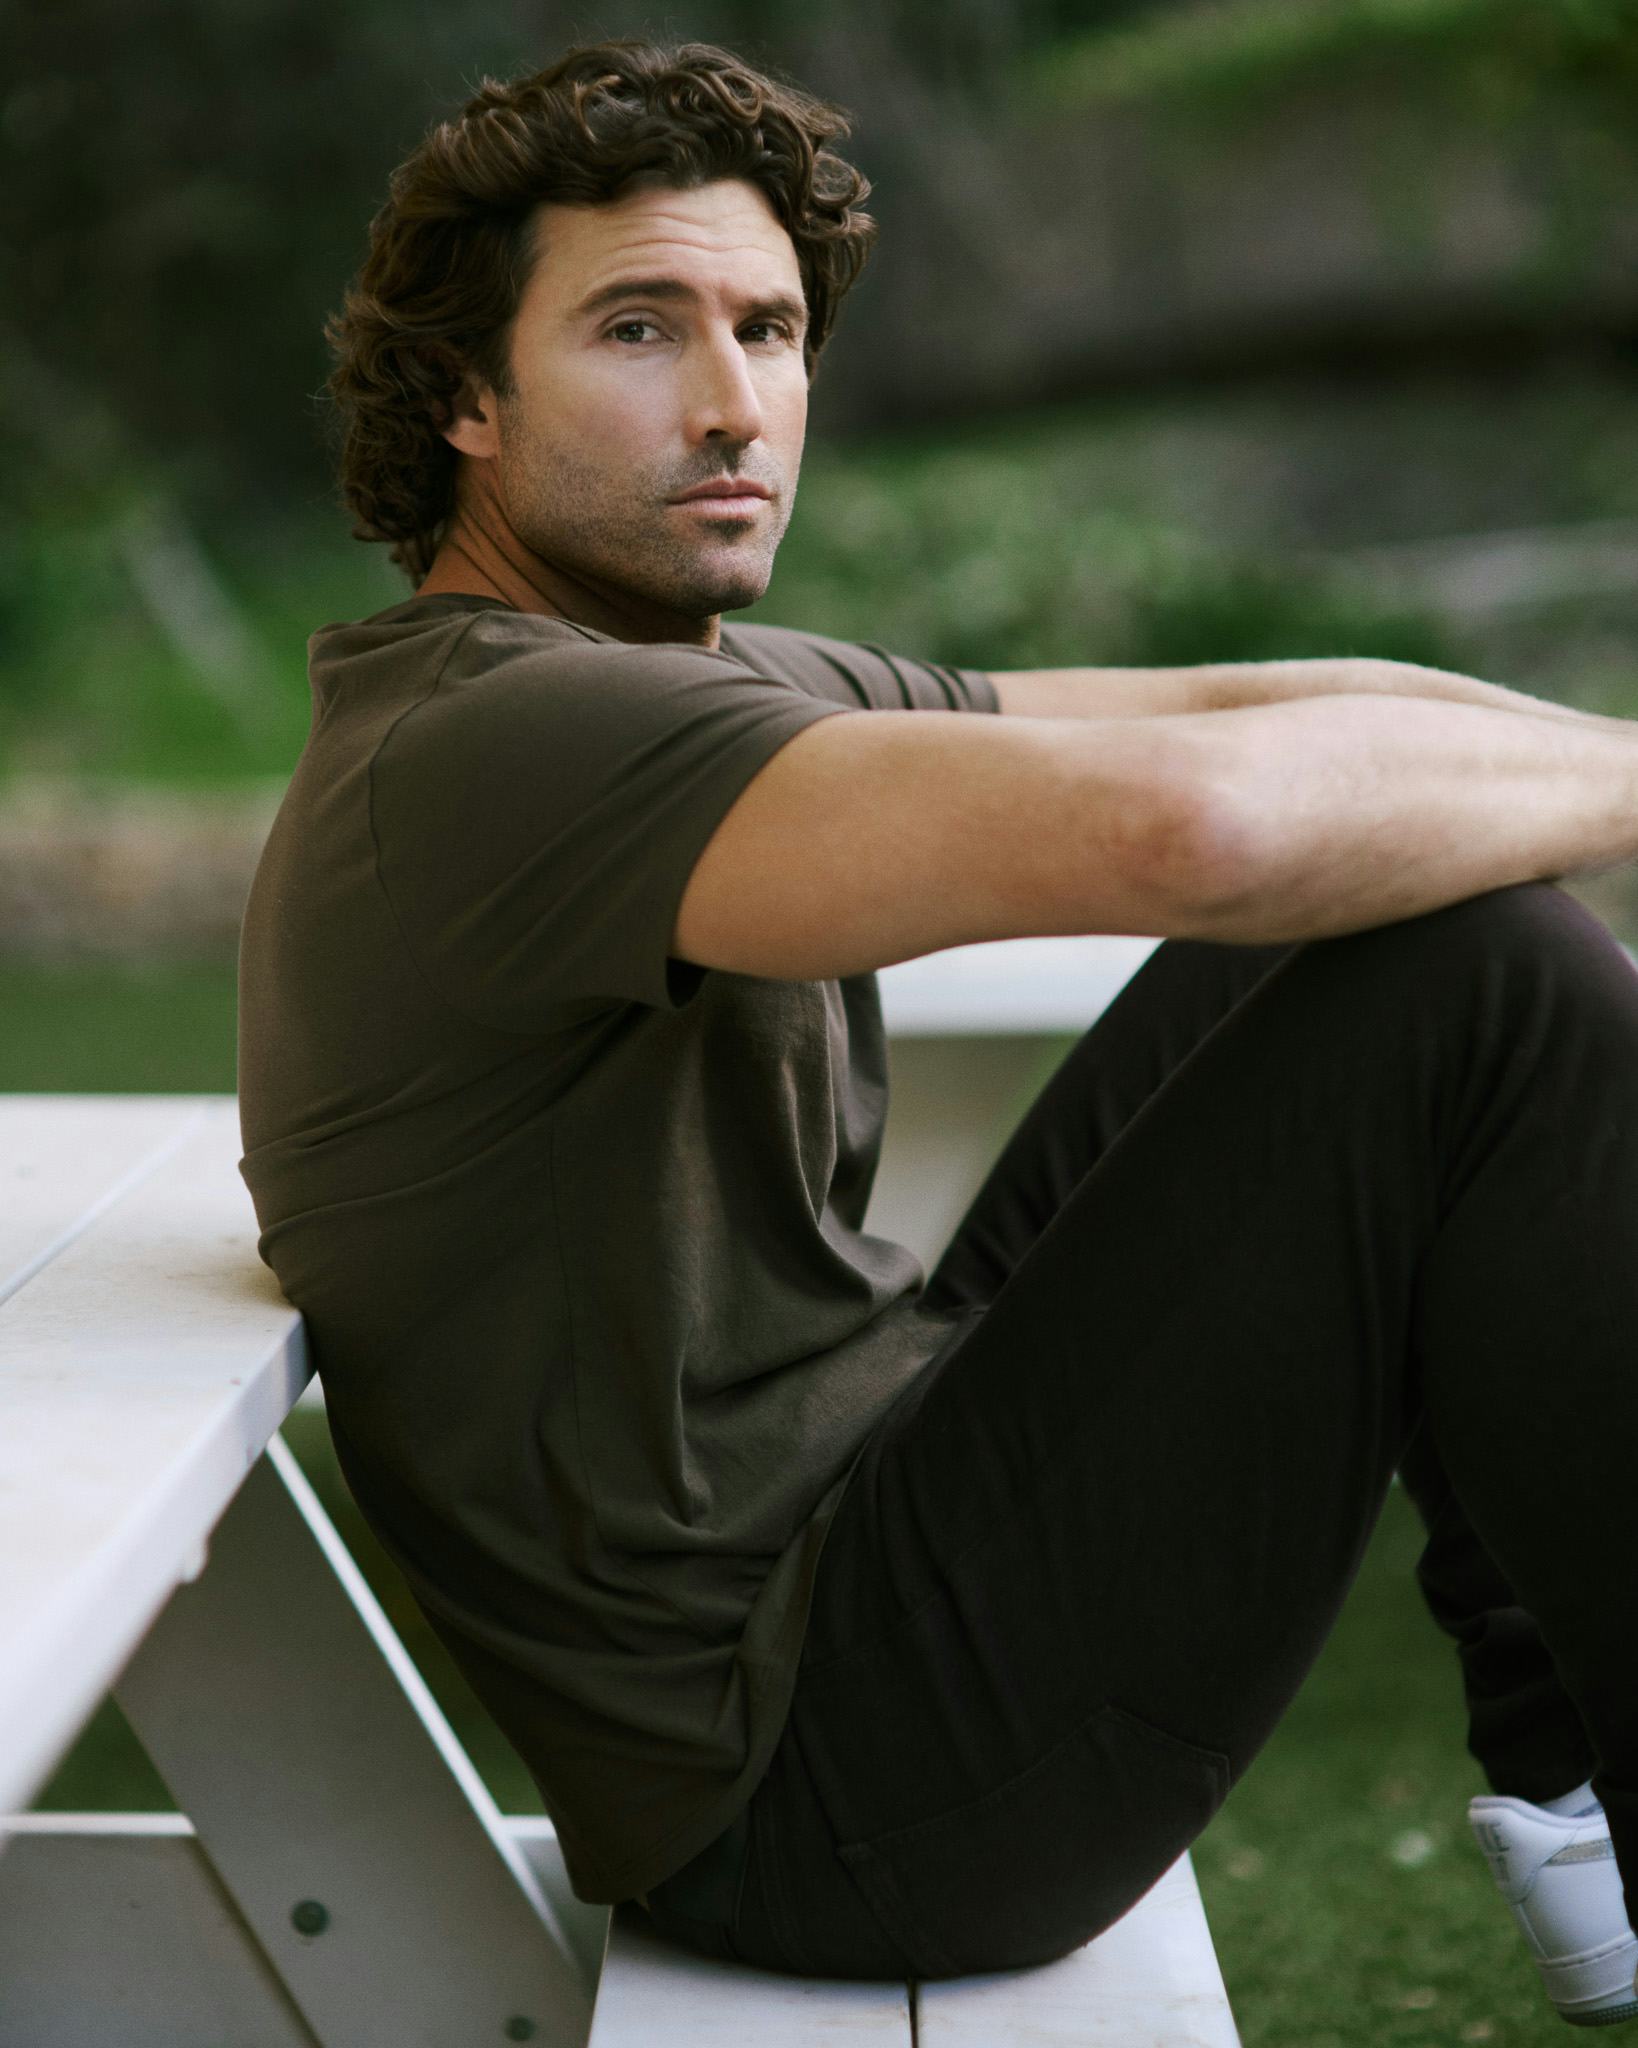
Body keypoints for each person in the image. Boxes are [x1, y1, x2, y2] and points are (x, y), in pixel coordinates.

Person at [235, 33, 1638, 2028]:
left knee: (1404, 921)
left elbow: (1252, 712)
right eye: (639, 330)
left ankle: (1569, 1785)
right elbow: (1200, 827)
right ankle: (1581, 1782)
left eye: (769, 330)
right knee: (1484, 984)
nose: (733, 402)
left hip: (873, 1510)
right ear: (466, 396)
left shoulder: (672, 671)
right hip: (824, 1780)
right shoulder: (508, 738)